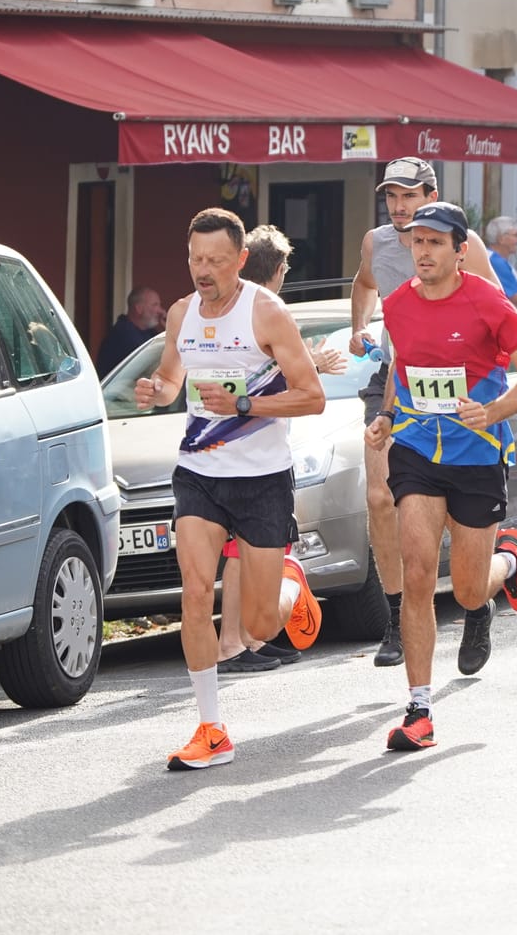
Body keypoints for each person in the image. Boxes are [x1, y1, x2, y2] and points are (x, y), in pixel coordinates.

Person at [133, 209, 328, 770]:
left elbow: (311, 396)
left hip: (262, 480)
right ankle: (211, 728)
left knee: (260, 627)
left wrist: (246, 404)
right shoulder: (181, 314)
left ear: (241, 260)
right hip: (199, 474)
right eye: (195, 259)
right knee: (196, 593)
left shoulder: (266, 312)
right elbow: (173, 379)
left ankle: (291, 583)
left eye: (216, 260)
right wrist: (157, 388)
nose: (203, 270)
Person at [360, 202, 517, 752]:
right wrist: (388, 416)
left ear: (460, 250)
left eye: (436, 242)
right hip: (417, 450)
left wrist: (491, 412)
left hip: (478, 454)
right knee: (417, 573)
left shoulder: (488, 301)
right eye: (417, 241)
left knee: (466, 589)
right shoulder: (396, 306)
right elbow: (402, 368)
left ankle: (508, 560)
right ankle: (419, 708)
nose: (423, 251)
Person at [347, 157, 504, 671]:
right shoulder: (377, 242)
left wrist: (486, 385)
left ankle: (477, 603)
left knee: (463, 540)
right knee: (379, 494)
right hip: (398, 378)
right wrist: (360, 327)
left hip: (461, 388)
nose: (398, 206)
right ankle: (397, 616)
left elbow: (497, 315)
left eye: (409, 196)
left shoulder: (465, 243)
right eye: (391, 196)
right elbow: (364, 283)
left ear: (431, 195)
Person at [214, 225, 345, 674]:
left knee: (248, 548)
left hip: (241, 448)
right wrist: (314, 368)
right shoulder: (261, 312)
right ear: (281, 270)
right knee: (241, 549)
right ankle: (232, 644)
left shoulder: (231, 309)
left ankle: (246, 639)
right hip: (250, 453)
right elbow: (256, 383)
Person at [96, 286, 164, 375]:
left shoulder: (148, 331)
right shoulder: (123, 335)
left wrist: (168, 328)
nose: (161, 311)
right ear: (139, 309)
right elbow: (156, 364)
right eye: (155, 305)